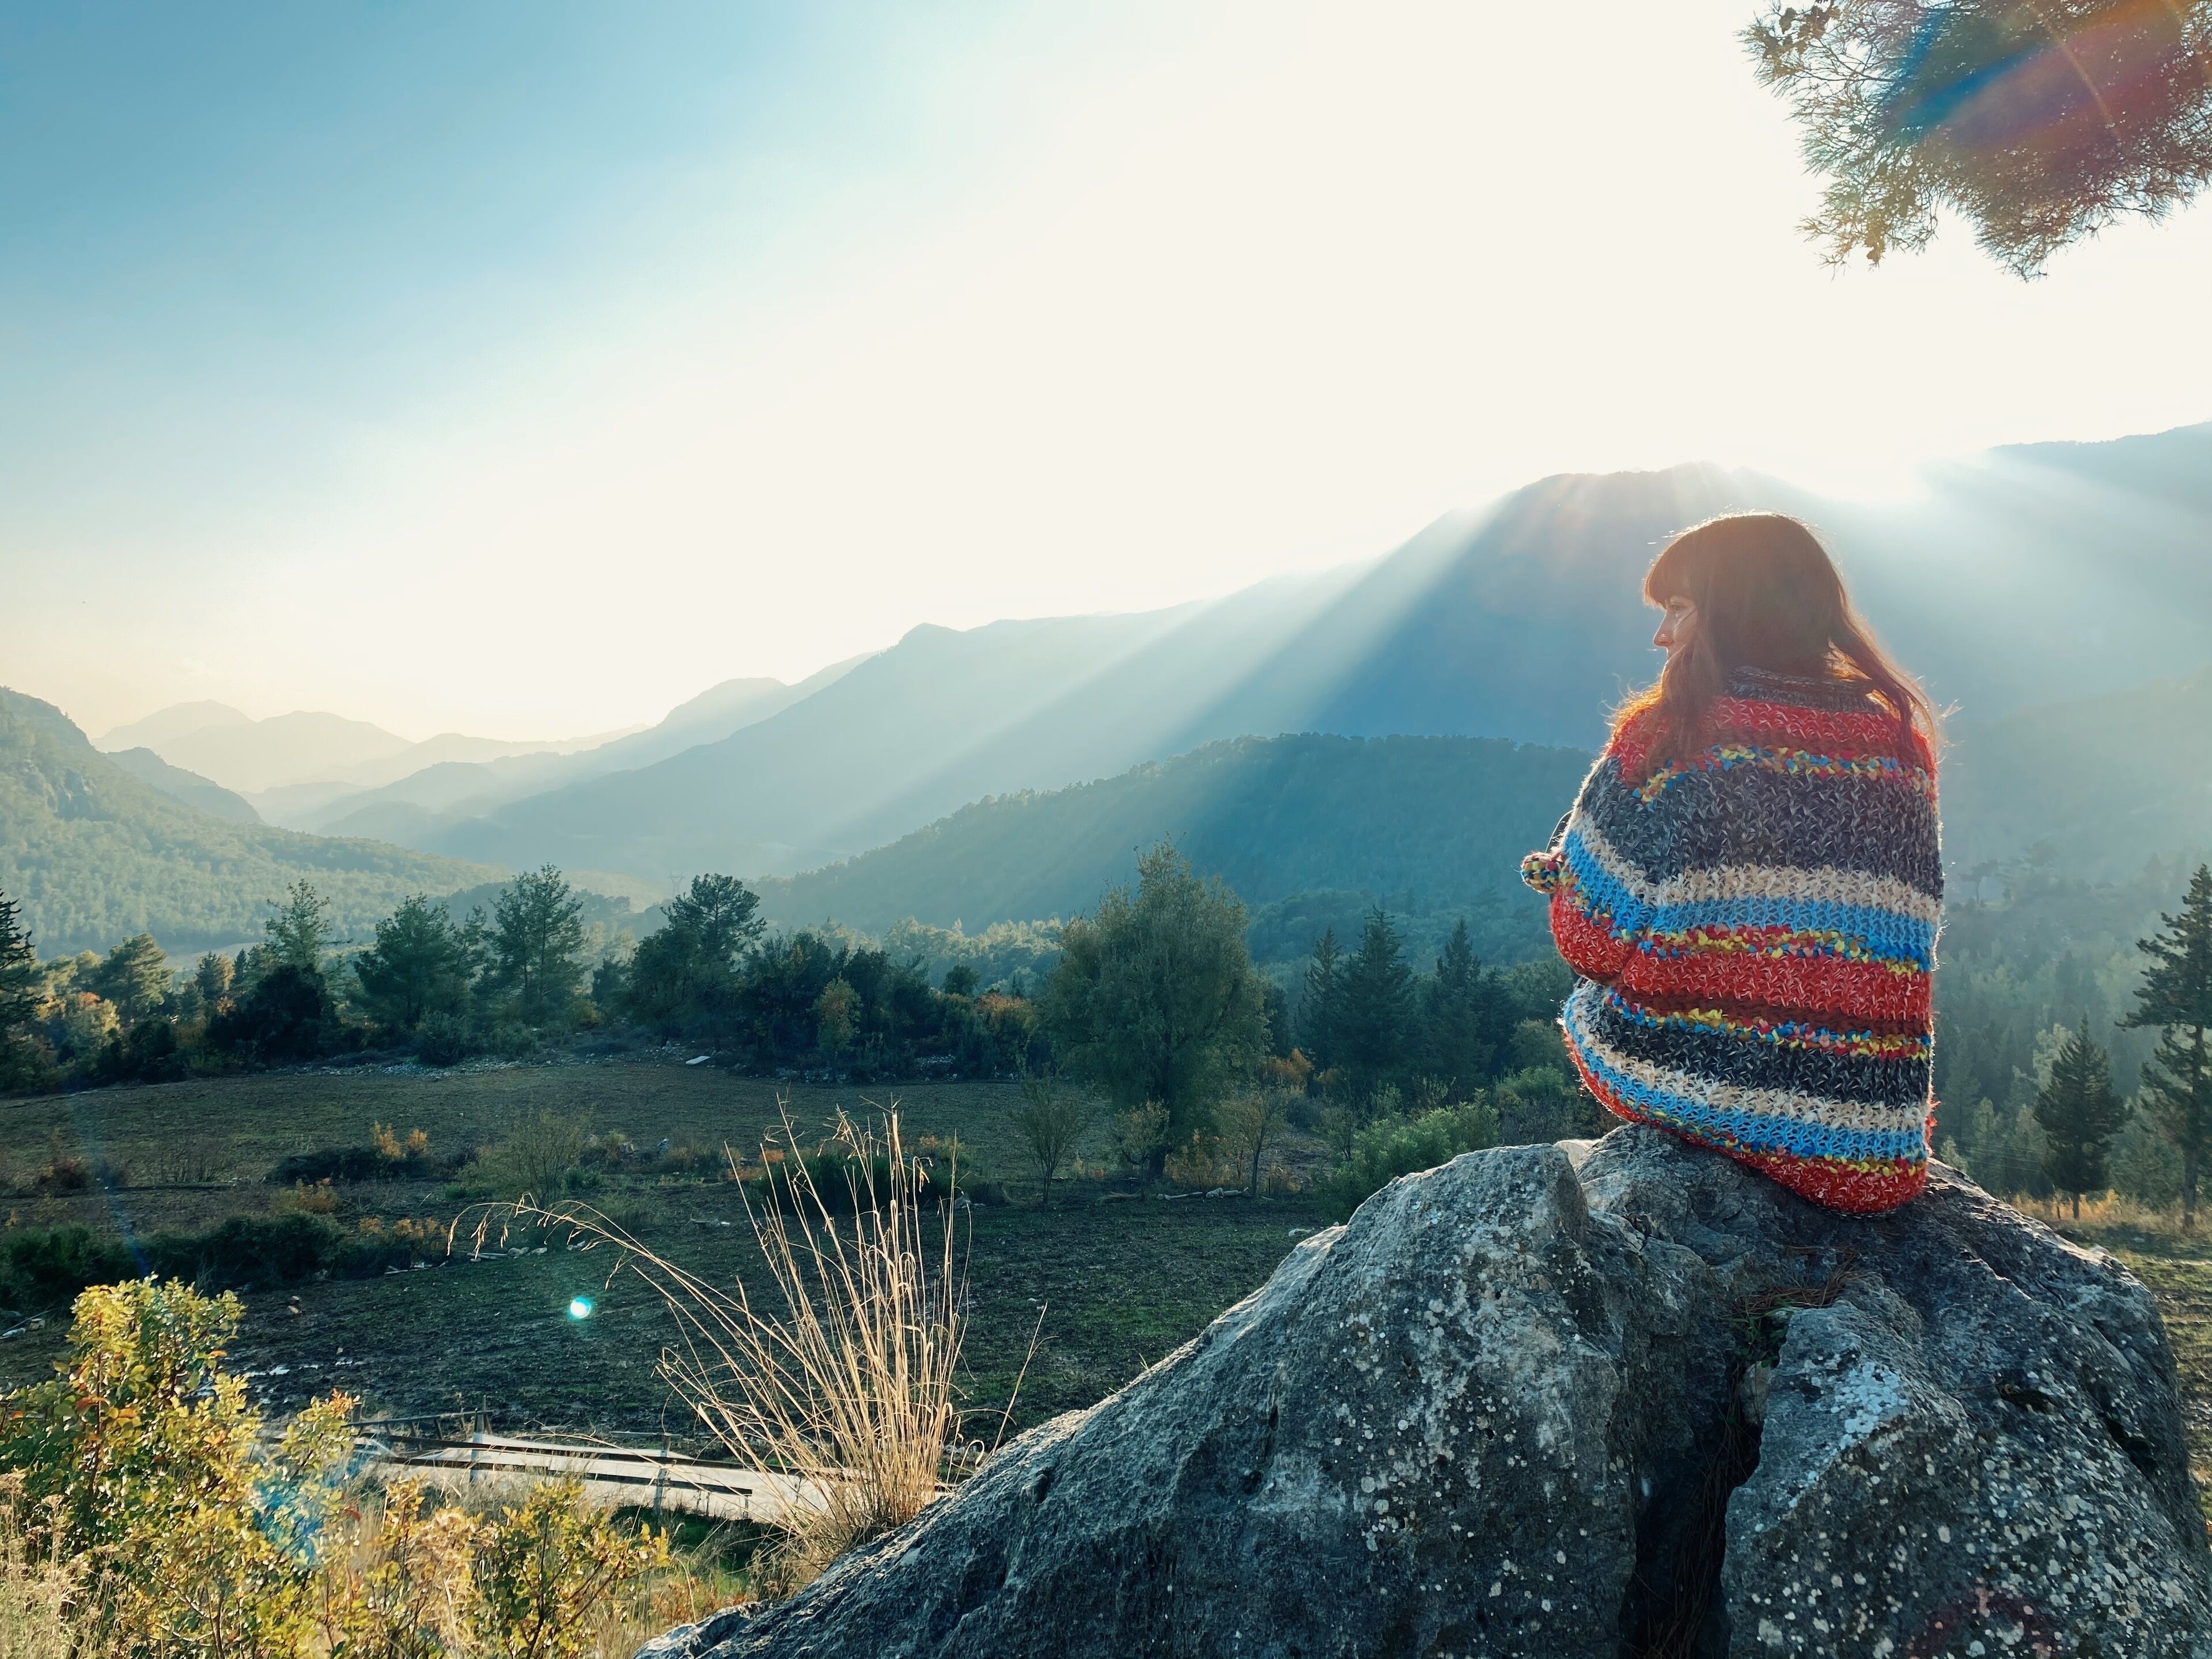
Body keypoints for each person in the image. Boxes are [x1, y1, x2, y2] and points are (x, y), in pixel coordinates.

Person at [1521, 513, 1941, 1213]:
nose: (1661, 635)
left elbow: (1592, 944)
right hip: (1869, 1133)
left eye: (1678, 610)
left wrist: (1570, 866)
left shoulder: (1671, 733)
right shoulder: (1898, 743)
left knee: (1586, 1005)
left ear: (1732, 613)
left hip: (1689, 1082)